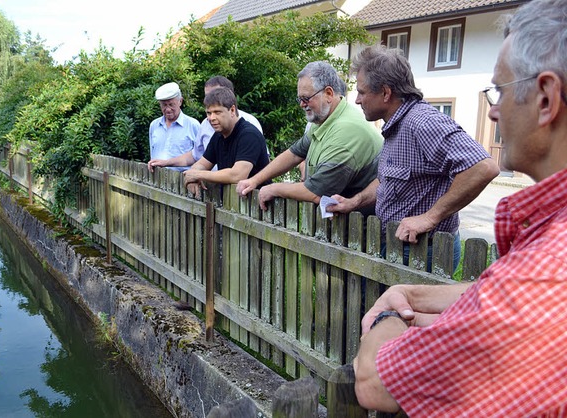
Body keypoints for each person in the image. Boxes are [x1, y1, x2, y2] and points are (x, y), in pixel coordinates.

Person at [354, 0, 567, 416]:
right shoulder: (545, 241)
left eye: (499, 90)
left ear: (545, 99)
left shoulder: (547, 270)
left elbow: (481, 164)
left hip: (422, 251)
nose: (492, 108)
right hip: (402, 259)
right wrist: (409, 295)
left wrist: (387, 318)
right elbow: (493, 297)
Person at [327, 46, 500, 268]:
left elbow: (483, 167)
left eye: (362, 92)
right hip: (400, 247)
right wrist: (354, 202)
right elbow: (387, 181)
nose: (358, 100)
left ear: (386, 93)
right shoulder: (397, 125)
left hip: (426, 251)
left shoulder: (422, 122)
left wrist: (429, 218)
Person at [236, 61, 383, 212]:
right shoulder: (325, 119)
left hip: (364, 226)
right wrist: (254, 180)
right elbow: (294, 154)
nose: (301, 104)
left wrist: (273, 188)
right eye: (299, 99)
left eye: (306, 98)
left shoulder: (345, 131)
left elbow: (316, 192)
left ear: (328, 94)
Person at [147, 76, 263, 172]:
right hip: (214, 192)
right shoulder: (210, 128)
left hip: (247, 196)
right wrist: (170, 164)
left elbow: (237, 174)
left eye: (216, 94)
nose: (210, 99)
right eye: (207, 96)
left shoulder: (249, 126)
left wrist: (198, 175)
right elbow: (196, 157)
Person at [183, 87, 269, 197]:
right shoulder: (218, 135)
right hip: (231, 206)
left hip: (257, 207)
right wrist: (192, 179)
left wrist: (198, 175)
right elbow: (201, 164)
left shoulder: (249, 135)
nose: (211, 118)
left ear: (232, 110)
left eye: (217, 112)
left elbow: (237, 175)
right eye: (208, 113)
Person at [148, 82, 200, 172]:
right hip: (157, 181)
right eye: (164, 105)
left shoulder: (193, 125)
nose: (168, 109)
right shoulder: (154, 125)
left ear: (180, 101)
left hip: (183, 182)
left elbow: (201, 156)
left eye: (171, 104)